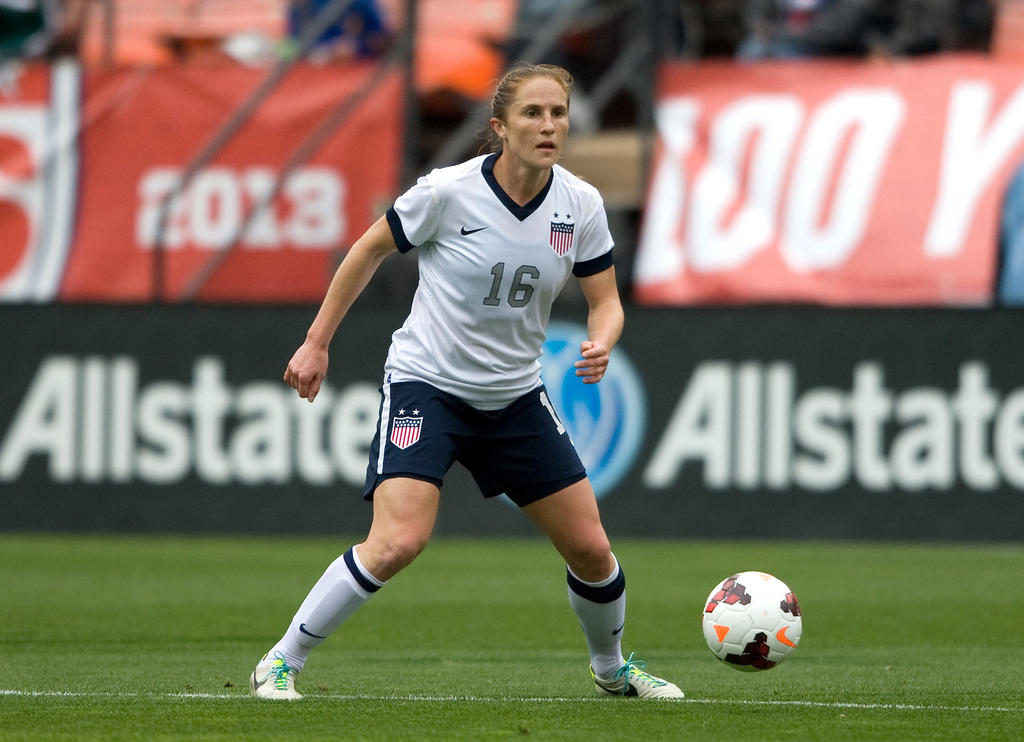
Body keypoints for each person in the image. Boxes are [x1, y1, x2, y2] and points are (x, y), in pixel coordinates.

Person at [248, 62, 683, 701]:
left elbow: (606, 301)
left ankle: (612, 669)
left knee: (592, 551)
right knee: (397, 542)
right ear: (500, 127)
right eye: (532, 113)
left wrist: (603, 340)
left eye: (558, 113)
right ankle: (282, 661)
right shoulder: (448, 192)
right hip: (428, 385)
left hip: (514, 397)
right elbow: (368, 249)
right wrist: (317, 343)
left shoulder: (581, 204)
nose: (548, 125)